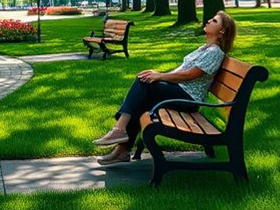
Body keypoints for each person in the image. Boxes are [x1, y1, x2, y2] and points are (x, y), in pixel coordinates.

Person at [93, 11, 236, 166]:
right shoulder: (205, 48)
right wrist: (157, 74)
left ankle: (119, 131)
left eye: (214, 21)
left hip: (188, 98)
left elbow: (190, 75)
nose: (208, 21)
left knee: (143, 82)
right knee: (143, 91)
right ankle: (122, 148)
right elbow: (181, 71)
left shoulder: (215, 52)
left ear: (221, 32)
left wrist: (160, 76)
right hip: (180, 92)